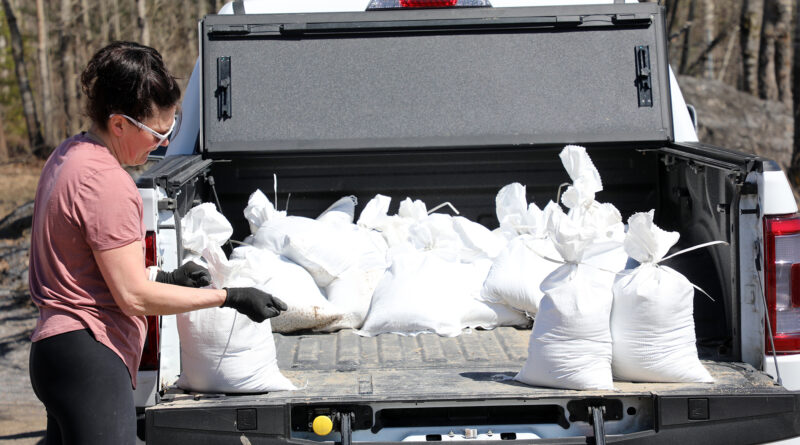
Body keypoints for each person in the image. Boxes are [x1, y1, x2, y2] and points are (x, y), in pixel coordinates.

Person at [27, 41, 286, 445]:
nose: (163, 144)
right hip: (89, 355)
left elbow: (86, 265)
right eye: (156, 133)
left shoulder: (68, 156)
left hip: (56, 354)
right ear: (119, 124)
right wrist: (228, 297)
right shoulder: (106, 182)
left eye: (171, 130)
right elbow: (132, 296)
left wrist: (165, 276)